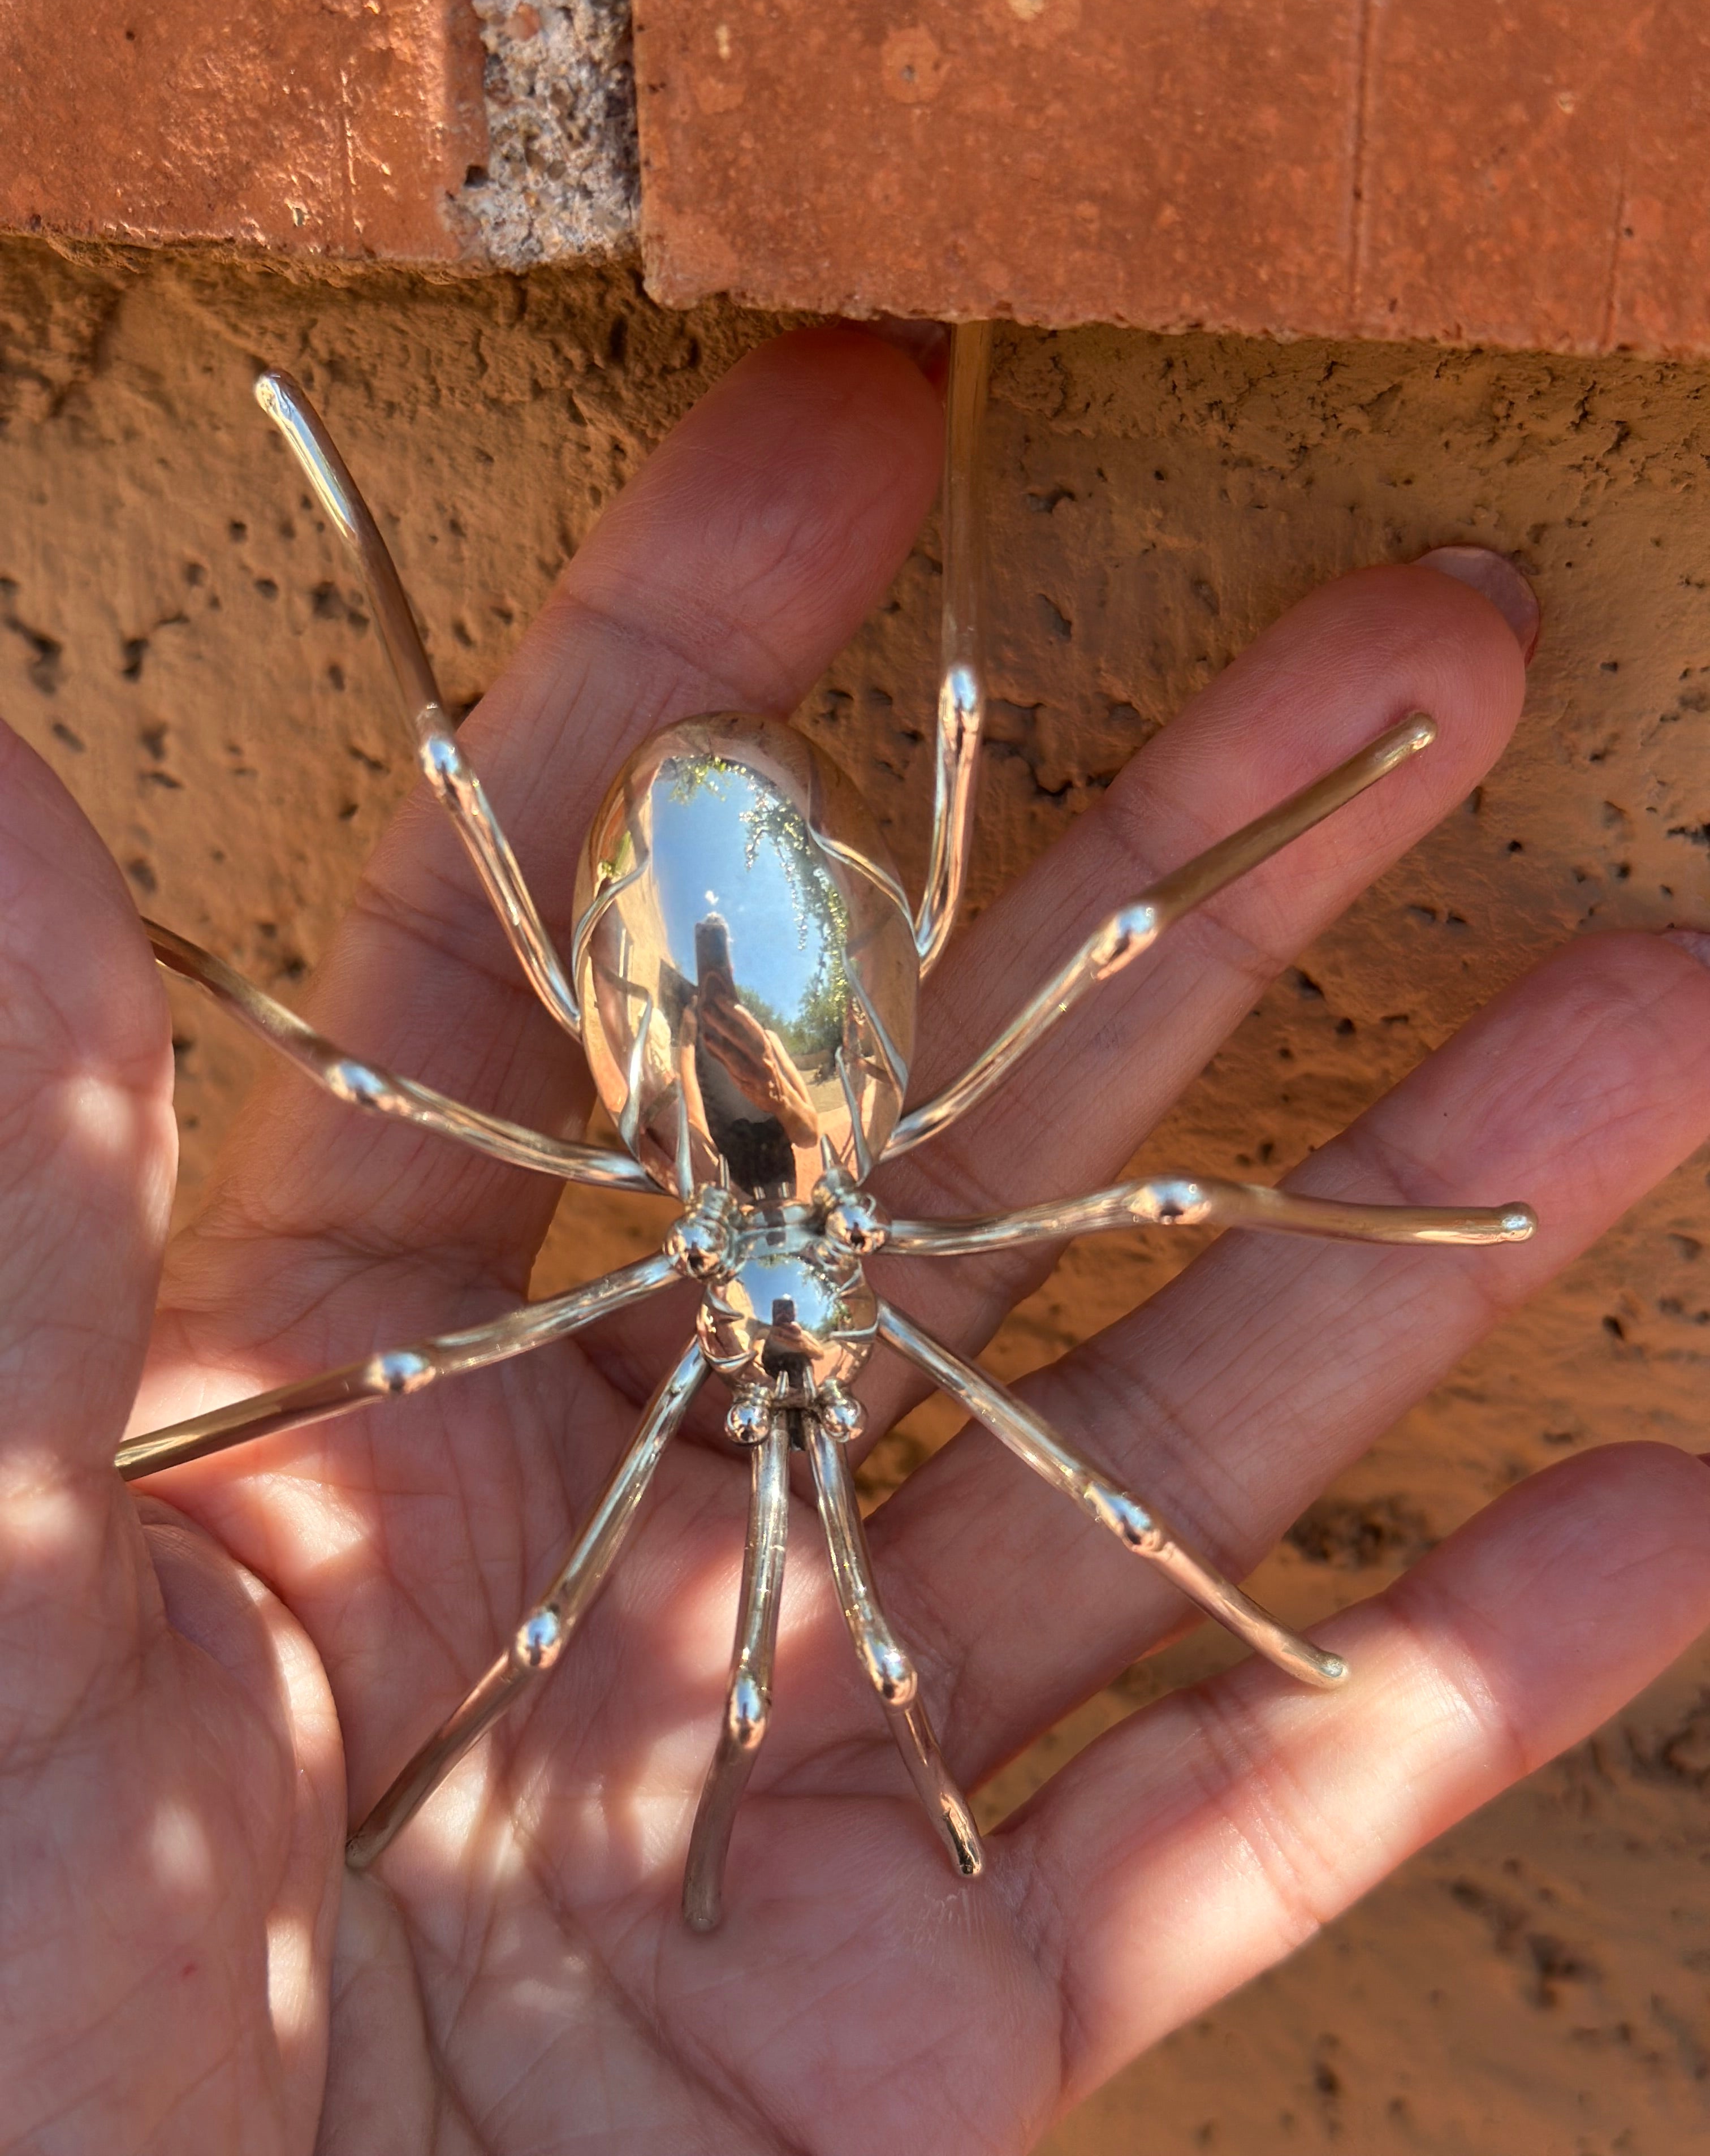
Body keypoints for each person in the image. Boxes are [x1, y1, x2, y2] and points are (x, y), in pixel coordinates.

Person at [3, 321, 1708, 2155]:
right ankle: (889, 396)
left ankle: (970, 384)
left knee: (1088, 1005)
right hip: (770, 1080)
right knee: (1067, 1042)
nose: (792, 1368)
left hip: (738, 1077)